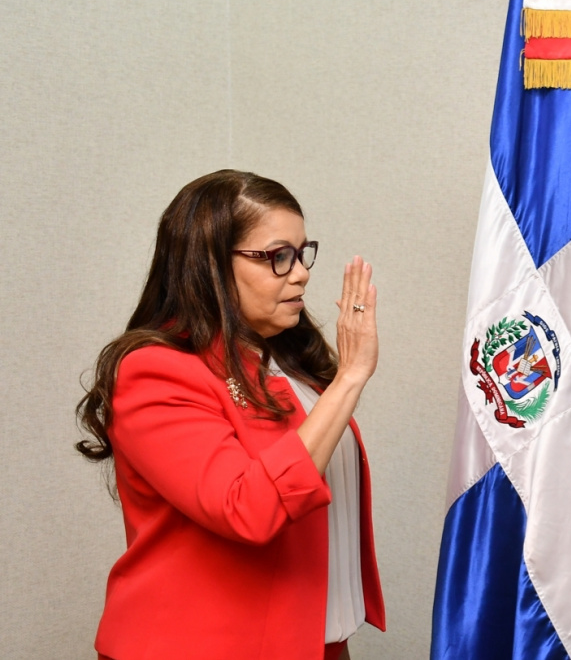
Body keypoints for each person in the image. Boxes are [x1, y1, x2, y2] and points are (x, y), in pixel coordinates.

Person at [76, 170, 385, 660]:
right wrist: (349, 379)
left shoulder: (288, 361)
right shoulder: (154, 371)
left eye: (303, 253)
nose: (301, 272)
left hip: (314, 641)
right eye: (277, 256)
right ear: (209, 266)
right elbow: (250, 511)